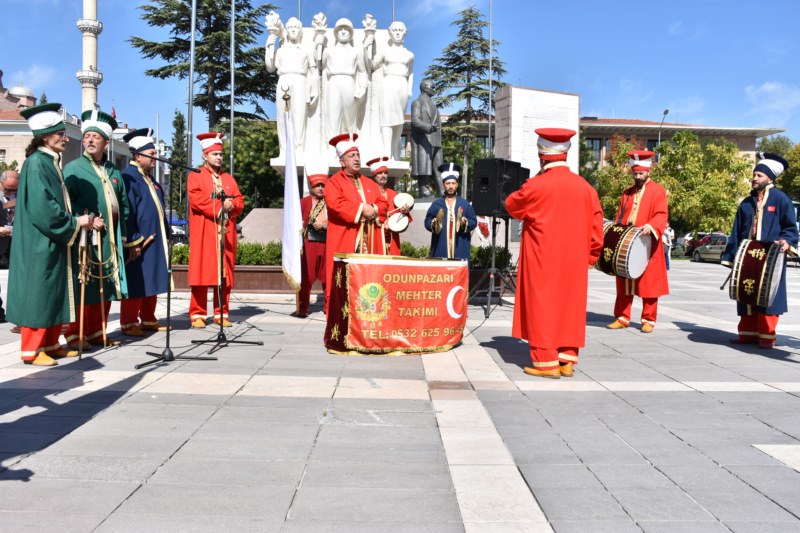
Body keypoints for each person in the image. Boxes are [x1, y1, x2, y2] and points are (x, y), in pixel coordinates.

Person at [505, 128, 604, 378]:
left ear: (542, 156)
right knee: (569, 306)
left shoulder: (535, 186)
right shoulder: (586, 188)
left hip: (542, 257)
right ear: (565, 155)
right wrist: (591, 257)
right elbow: (596, 229)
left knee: (543, 306)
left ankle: (545, 362)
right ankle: (567, 359)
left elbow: (511, 205)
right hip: (574, 260)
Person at [8, 103, 99, 365]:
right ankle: (32, 349)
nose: (66, 139)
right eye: (61, 134)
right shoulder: (38, 163)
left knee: (53, 291)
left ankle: (49, 342)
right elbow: (44, 209)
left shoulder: (49, 162)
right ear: (45, 136)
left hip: (52, 241)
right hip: (40, 242)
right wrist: (74, 222)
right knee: (40, 291)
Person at [63, 109, 129, 349]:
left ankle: (96, 332)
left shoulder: (113, 171)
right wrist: (89, 218)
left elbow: (123, 204)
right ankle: (75, 333)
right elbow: (67, 201)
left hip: (111, 239)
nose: (90, 140)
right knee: (86, 285)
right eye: (87, 136)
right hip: (86, 238)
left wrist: (124, 235)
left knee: (108, 285)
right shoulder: (73, 168)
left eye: (95, 137)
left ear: (106, 142)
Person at [722, 152, 798, 348]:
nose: (754, 178)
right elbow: (736, 232)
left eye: (759, 176)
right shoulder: (746, 203)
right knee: (746, 292)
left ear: (770, 178)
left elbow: (790, 228)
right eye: (754, 175)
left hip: (771, 257)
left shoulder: (781, 199)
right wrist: (731, 257)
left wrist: (787, 243)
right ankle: (746, 333)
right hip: (748, 256)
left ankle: (766, 336)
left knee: (768, 295)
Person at [606, 150, 669, 333]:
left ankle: (648, 320)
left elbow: (661, 215)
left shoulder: (658, 191)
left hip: (647, 242)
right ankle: (622, 317)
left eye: (641, 173)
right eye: (635, 173)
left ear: (649, 171)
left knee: (649, 284)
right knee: (623, 281)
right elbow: (620, 216)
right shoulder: (627, 193)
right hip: (627, 241)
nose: (638, 176)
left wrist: (651, 226)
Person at [187, 132, 244, 328]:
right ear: (204, 156)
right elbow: (197, 200)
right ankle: (197, 314)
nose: (219, 157)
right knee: (202, 273)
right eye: (214, 154)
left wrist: (233, 205)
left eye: (220, 154)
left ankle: (222, 313)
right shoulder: (195, 176)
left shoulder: (229, 178)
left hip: (226, 233)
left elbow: (239, 200)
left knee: (224, 275)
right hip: (205, 231)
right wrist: (221, 206)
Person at [119, 128, 172, 336]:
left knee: (153, 278)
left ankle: (149, 318)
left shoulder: (151, 179)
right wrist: (133, 240)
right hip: (140, 241)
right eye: (152, 155)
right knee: (137, 280)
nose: (155, 159)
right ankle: (128, 322)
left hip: (155, 239)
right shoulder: (128, 177)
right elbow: (128, 211)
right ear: (138, 155)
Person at [323, 133, 381, 311]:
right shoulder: (333, 183)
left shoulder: (369, 183)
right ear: (342, 161)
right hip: (345, 240)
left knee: (368, 284)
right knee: (343, 284)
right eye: (351, 156)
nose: (357, 159)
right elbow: (336, 205)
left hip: (369, 242)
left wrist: (375, 209)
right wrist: (363, 209)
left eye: (357, 155)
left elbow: (382, 203)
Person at [265, 15, 317, 160]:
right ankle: (284, 151)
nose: (293, 30)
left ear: (300, 31)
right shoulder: (281, 50)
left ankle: (299, 150)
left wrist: (315, 90)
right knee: (283, 117)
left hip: (300, 80)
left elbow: (313, 71)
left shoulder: (306, 50)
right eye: (290, 28)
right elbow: (270, 67)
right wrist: (269, 45)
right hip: (284, 80)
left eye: (296, 28)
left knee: (299, 117)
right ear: (287, 30)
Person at [365, 21, 414, 160]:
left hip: (402, 85)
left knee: (399, 120)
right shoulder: (385, 51)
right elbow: (372, 66)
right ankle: (386, 152)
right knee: (386, 119)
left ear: (404, 32)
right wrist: (367, 48)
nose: (398, 32)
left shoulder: (409, 54)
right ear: (390, 32)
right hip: (387, 84)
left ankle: (394, 152)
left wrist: (409, 88)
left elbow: (411, 73)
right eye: (395, 30)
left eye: (400, 30)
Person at [321, 18, 368, 139]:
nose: (343, 32)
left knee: (349, 116)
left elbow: (363, 71)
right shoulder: (328, 51)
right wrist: (318, 44)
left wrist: (362, 87)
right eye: (340, 29)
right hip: (333, 82)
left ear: (350, 33)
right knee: (333, 115)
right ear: (335, 33)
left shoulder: (356, 51)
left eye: (346, 29)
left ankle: (349, 143)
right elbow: (318, 66)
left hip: (349, 82)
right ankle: (332, 147)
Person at [424, 163, 477, 261]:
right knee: (441, 273)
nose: (451, 186)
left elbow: (473, 221)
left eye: (453, 183)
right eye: (448, 183)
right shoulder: (436, 204)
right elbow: (427, 221)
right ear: (444, 185)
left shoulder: (465, 204)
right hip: (441, 246)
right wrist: (433, 224)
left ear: (457, 184)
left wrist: (465, 223)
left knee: (459, 274)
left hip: (460, 246)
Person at [294, 173, 328, 318]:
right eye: (317, 186)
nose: (320, 188)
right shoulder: (304, 202)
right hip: (309, 242)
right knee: (306, 277)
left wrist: (326, 224)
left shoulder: (330, 202)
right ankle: (303, 307)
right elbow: (295, 221)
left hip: (326, 241)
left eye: (323, 185)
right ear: (311, 187)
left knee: (328, 277)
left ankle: (329, 308)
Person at [368, 155, 410, 255]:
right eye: (380, 173)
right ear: (374, 176)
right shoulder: (368, 193)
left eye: (386, 173)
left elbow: (400, 215)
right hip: (374, 234)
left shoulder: (393, 194)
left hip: (391, 236)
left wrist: (404, 212)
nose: (384, 175)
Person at [410, 79, 443, 196]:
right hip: (424, 139)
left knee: (439, 167)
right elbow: (415, 121)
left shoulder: (434, 105)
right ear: (425, 88)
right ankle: (423, 188)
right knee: (424, 165)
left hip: (436, 140)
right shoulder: (417, 103)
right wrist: (428, 128)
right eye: (432, 87)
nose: (434, 89)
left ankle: (442, 190)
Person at [0, 169, 17, 321]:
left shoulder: (18, 197)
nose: (10, 192)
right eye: (7, 189)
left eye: (14, 189)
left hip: (15, 243)